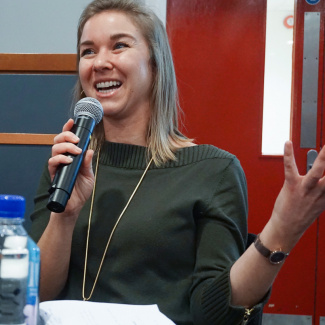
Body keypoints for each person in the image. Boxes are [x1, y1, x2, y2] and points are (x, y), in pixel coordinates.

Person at [28, 0, 325, 324]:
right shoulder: (67, 163)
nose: (99, 62)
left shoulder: (213, 171)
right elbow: (35, 296)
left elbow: (215, 314)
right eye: (88, 51)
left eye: (119, 46)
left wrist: (282, 229)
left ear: (155, 64)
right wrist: (65, 217)